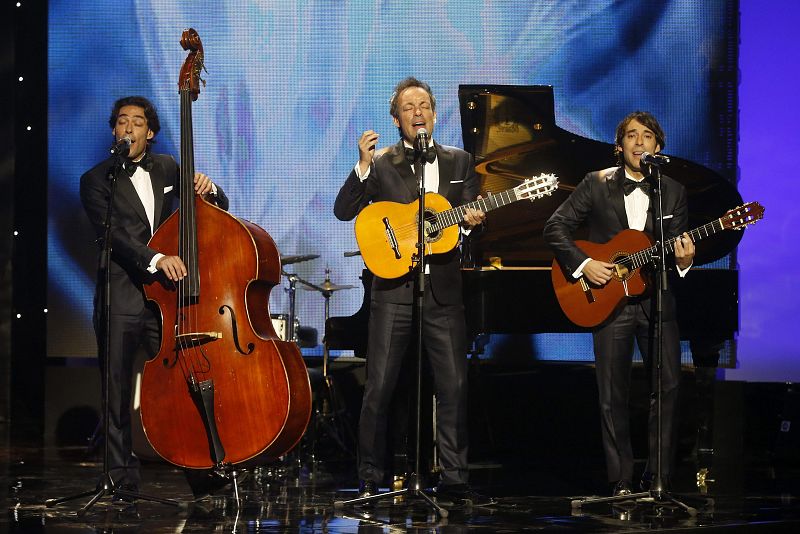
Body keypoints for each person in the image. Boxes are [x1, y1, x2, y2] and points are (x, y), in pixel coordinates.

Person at [334, 77, 491, 506]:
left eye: (424, 105)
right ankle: (370, 478)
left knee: (454, 385)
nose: (418, 112)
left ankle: (455, 480)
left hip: (443, 290)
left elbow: (473, 216)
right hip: (393, 290)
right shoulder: (381, 163)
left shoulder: (461, 162)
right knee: (379, 386)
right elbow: (344, 211)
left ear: (435, 115)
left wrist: (475, 220)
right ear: (397, 119)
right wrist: (361, 166)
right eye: (408, 107)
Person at [80, 96, 228, 500]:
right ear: (114, 130)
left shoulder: (165, 167)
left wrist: (210, 189)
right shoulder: (95, 180)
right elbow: (114, 236)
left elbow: (212, 210)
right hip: (121, 295)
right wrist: (157, 258)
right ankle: (121, 479)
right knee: (116, 391)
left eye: (138, 122)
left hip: (164, 300)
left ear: (151, 133)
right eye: (122, 122)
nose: (129, 128)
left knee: (183, 383)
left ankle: (201, 473)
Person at [543, 111, 695, 496]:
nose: (639, 142)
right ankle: (621, 481)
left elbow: (675, 246)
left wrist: (684, 259)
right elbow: (554, 227)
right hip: (608, 301)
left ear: (658, 147)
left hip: (656, 300)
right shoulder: (596, 185)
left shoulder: (674, 191)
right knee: (612, 393)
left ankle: (658, 478)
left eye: (647, 136)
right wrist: (584, 264)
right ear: (619, 146)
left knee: (670, 386)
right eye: (631, 135)